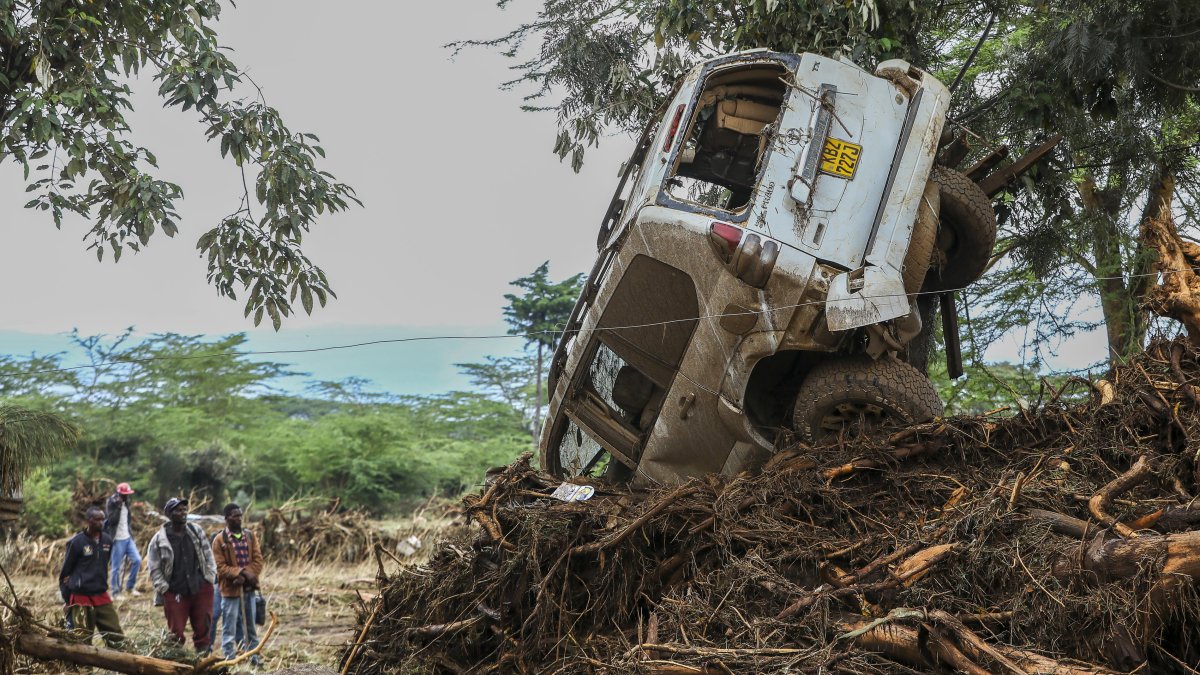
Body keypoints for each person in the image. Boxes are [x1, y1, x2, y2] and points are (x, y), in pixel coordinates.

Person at [146, 497, 217, 653]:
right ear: (170, 514)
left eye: (185, 509)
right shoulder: (159, 540)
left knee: (203, 627)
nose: (183, 513)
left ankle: (204, 658)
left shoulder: (195, 531)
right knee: (176, 632)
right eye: (179, 510)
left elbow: (208, 554)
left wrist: (210, 577)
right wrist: (164, 588)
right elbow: (154, 568)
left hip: (200, 587)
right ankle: (175, 660)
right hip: (175, 591)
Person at [59, 506, 125, 647]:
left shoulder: (107, 540)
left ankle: (120, 659)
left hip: (100, 593)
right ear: (88, 521)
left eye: (102, 519)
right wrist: (67, 599)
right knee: (81, 639)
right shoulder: (77, 542)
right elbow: (65, 573)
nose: (101, 522)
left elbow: (104, 564)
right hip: (80, 596)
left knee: (116, 635)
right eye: (97, 519)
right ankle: (83, 662)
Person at [211, 503, 264, 664]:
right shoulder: (220, 540)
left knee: (250, 628)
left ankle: (254, 658)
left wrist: (246, 576)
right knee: (229, 628)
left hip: (248, 588)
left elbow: (258, 560)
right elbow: (220, 567)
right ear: (227, 518)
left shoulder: (249, 536)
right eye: (235, 516)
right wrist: (240, 573)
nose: (239, 518)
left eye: (240, 515)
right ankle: (230, 659)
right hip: (230, 590)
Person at [103, 481, 141, 598]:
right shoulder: (111, 503)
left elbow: (128, 520)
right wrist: (118, 507)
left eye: (127, 494)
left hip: (127, 537)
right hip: (117, 539)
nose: (126, 497)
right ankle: (116, 592)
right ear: (119, 494)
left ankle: (130, 587)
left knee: (137, 560)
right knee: (116, 567)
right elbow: (111, 521)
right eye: (124, 495)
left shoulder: (127, 502)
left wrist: (130, 533)